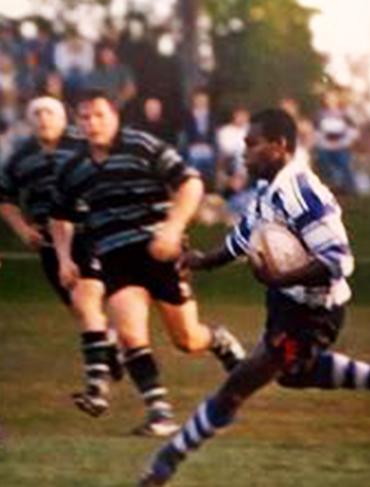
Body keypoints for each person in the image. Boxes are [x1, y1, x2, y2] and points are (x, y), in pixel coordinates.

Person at [138, 108, 370, 486]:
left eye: (252, 144)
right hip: (286, 302)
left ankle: (165, 463)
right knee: (295, 375)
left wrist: (283, 274)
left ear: (280, 146)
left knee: (238, 385)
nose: (244, 153)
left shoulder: (300, 192)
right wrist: (204, 261)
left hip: (312, 314)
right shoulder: (268, 188)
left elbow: (339, 259)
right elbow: (247, 233)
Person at [51, 89, 246, 436]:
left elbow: (190, 183)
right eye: (85, 117)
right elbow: (60, 215)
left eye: (99, 115)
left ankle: (218, 340)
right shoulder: (73, 166)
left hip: (159, 251)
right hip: (115, 256)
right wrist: (64, 257)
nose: (92, 123)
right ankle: (160, 413)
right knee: (128, 333)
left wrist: (172, 228)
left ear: (115, 116)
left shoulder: (142, 145)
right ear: (77, 122)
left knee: (186, 339)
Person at [0, 96, 123, 415]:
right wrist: (22, 229)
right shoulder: (20, 158)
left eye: (49, 112)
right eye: (37, 113)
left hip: (88, 234)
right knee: (83, 312)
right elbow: (5, 198)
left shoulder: (83, 148)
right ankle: (110, 344)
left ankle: (96, 387)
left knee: (87, 303)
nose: (43, 118)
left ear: (63, 117)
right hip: (49, 244)